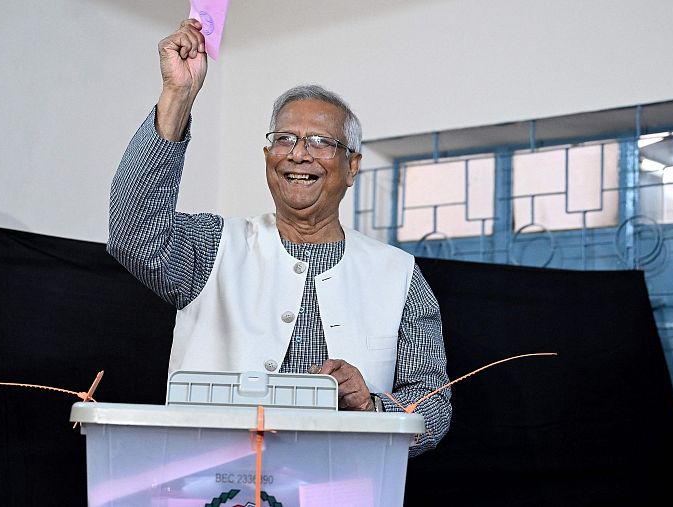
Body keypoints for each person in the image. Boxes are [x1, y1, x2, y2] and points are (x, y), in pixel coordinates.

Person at [108, 20, 451, 456]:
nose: (298, 153)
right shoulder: (213, 245)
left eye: (321, 142)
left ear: (353, 166)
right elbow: (131, 234)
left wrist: (372, 408)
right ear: (268, 156)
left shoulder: (398, 274)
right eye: (284, 138)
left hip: (339, 488)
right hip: (211, 485)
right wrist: (177, 96)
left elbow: (433, 404)